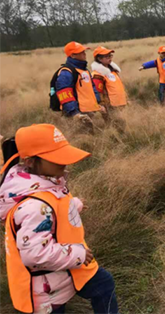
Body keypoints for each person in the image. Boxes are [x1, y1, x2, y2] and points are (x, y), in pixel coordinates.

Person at [0, 124, 118, 314]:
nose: (64, 162)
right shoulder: (33, 206)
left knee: (104, 283)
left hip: (63, 272)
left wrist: (74, 205)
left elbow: (52, 208)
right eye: (56, 158)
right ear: (30, 161)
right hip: (46, 290)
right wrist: (77, 255)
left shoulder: (44, 183)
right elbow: (35, 254)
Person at [52, 42, 105, 128]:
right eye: (81, 52)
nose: (84, 54)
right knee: (82, 138)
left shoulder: (85, 71)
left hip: (90, 112)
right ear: (73, 55)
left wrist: (97, 104)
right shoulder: (66, 73)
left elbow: (92, 89)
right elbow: (64, 95)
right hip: (78, 114)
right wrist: (75, 113)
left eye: (84, 51)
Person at [91, 46, 127, 112]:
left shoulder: (113, 71)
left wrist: (126, 99)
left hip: (121, 104)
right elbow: (98, 92)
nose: (110, 58)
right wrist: (102, 105)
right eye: (107, 56)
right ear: (99, 59)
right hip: (110, 107)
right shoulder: (97, 75)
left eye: (110, 56)